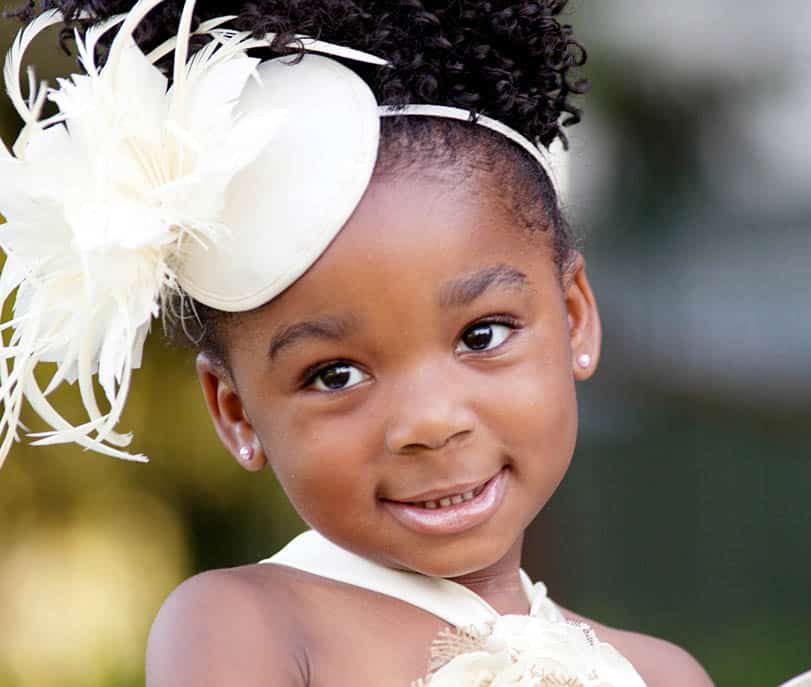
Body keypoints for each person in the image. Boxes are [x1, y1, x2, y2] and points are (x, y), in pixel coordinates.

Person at [0, 0, 713, 684]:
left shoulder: (661, 674)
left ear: (573, 316)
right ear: (236, 411)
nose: (431, 422)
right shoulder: (249, 626)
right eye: (335, 374)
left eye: (481, 334)